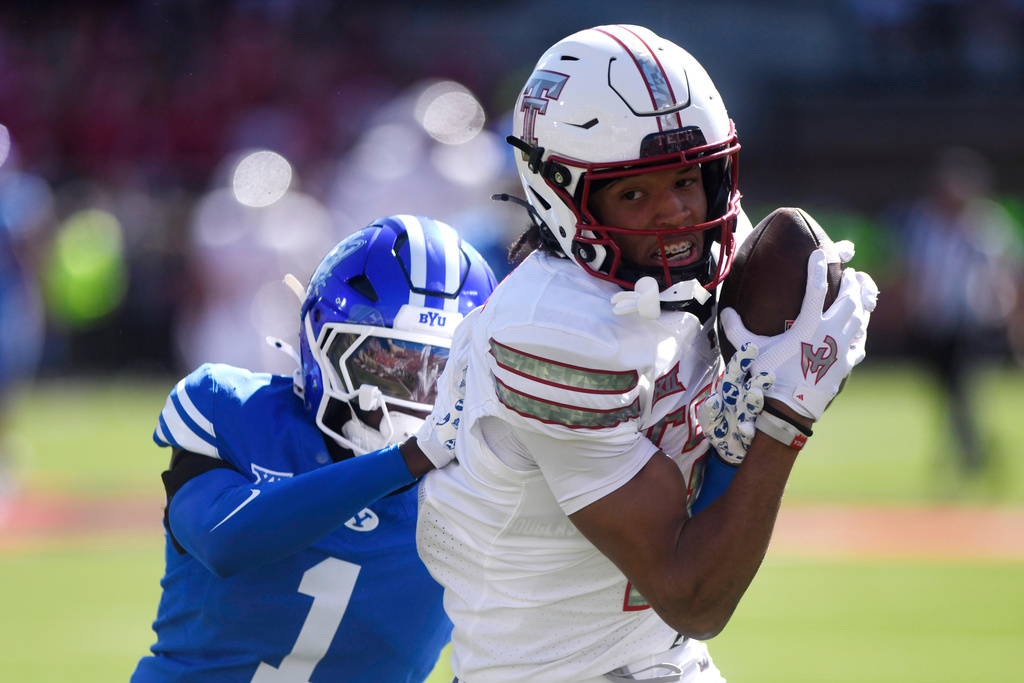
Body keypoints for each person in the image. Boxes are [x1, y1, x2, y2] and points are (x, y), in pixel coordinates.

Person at [413, 25, 878, 682]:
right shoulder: (549, 332)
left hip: (664, 656)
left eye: (687, 180)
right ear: (562, 193)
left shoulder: (699, 256)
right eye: (634, 193)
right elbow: (693, 594)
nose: (677, 216)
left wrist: (756, 391)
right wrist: (785, 414)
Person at [132, 215, 498, 682]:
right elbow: (223, 539)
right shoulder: (230, 408)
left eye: (438, 372)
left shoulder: (480, 480)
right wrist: (407, 461)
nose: (413, 394)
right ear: (321, 344)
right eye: (387, 362)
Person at [897, 146, 1023, 475]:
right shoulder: (923, 224)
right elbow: (913, 272)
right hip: (933, 324)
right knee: (949, 392)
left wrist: (1011, 318)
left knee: (960, 388)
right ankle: (974, 450)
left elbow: (1005, 274)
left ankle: (968, 455)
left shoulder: (986, 224)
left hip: (973, 323)